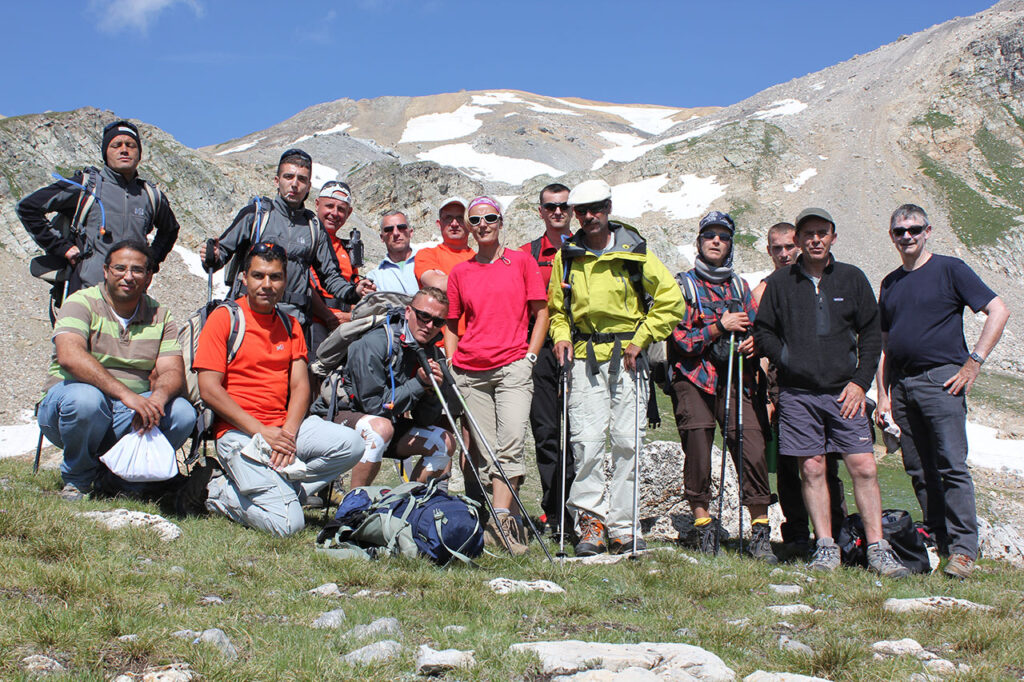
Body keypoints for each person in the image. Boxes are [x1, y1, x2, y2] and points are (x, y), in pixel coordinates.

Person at [754, 207, 909, 577]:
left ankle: (877, 548)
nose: (815, 240)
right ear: (799, 239)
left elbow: (871, 335)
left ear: (833, 237)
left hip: (845, 393)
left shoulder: (852, 279)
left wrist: (859, 382)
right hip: (798, 394)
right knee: (811, 467)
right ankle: (824, 545)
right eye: (808, 234)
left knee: (864, 466)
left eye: (822, 233)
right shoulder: (780, 284)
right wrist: (787, 359)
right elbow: (764, 331)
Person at [548, 179, 685, 556]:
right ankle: (590, 523)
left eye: (596, 208)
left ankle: (624, 526)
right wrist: (560, 335)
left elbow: (671, 301)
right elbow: (558, 310)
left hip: (630, 358)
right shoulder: (568, 256)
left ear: (608, 207)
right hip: (584, 358)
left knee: (629, 442)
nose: (589, 216)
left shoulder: (636, 251)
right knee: (587, 443)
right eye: (582, 210)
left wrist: (644, 337)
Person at [875, 204, 1009, 579]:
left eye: (914, 229)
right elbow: (885, 344)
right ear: (891, 236)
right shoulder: (891, 282)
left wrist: (974, 362)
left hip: (942, 380)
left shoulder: (950, 269)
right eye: (900, 231)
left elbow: (998, 310)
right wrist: (883, 395)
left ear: (928, 230)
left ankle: (965, 550)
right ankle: (939, 540)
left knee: (951, 465)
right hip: (902, 385)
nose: (907, 236)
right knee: (918, 468)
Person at [195, 242, 362, 536]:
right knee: (287, 525)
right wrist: (261, 431)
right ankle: (216, 490)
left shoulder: (290, 324)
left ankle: (283, 491)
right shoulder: (225, 318)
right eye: (258, 276)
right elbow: (209, 389)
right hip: (237, 432)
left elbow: (300, 387)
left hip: (280, 430)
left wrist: (287, 432)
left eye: (275, 277)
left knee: (352, 444)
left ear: (285, 281)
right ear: (243, 278)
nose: (267, 285)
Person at [36, 240, 196, 499]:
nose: (128, 276)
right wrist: (126, 394)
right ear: (106, 270)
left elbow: (172, 372)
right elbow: (69, 356)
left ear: (149, 276)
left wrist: (157, 399)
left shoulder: (160, 315)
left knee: (182, 414)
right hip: (70, 408)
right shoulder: (81, 302)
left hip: (127, 412)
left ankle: (120, 483)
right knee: (86, 401)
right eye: (120, 268)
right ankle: (78, 480)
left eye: (137, 270)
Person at [668, 211, 777, 562]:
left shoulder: (741, 287)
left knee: (752, 446)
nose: (716, 241)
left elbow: (759, 329)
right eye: (709, 236)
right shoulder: (682, 285)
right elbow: (681, 340)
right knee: (698, 445)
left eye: (723, 237)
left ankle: (760, 527)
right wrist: (719, 327)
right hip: (694, 377)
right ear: (699, 242)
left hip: (736, 375)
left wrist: (753, 344)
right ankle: (703, 524)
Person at [446, 197, 548, 554]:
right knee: (488, 452)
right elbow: (451, 323)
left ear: (501, 221)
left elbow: (541, 311)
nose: (484, 224)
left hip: (512, 367)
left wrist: (530, 356)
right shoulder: (461, 272)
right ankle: (510, 519)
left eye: (490, 217)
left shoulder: (521, 261)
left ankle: (500, 518)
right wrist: (451, 360)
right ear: (470, 227)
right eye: (476, 219)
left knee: (511, 443)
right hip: (471, 372)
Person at [200, 149, 371, 335]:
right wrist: (213, 256)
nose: (294, 184)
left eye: (302, 179)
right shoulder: (255, 215)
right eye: (288, 177)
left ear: (308, 186)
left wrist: (354, 292)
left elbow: (330, 276)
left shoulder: (314, 227)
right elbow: (221, 253)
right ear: (277, 181)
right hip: (248, 318)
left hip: (292, 323)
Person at [752, 222, 847, 556]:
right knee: (792, 464)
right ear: (769, 251)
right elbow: (760, 344)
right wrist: (765, 395)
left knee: (827, 462)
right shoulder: (767, 289)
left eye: (789, 247)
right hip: (783, 387)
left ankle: (837, 532)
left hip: (825, 386)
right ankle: (796, 534)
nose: (784, 254)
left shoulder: (821, 283)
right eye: (776, 248)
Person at [17, 120, 180, 293]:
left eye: (131, 145)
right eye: (116, 145)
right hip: (86, 295)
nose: (124, 149)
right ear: (105, 153)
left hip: (132, 299)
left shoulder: (150, 195)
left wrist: (151, 261)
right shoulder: (85, 186)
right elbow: (28, 208)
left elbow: (170, 230)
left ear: (139, 154)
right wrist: (61, 248)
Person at [328, 287, 455, 487]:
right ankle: (353, 509)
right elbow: (373, 406)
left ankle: (409, 506)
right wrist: (419, 383)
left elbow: (425, 420)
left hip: (386, 424)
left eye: (438, 322)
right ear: (408, 312)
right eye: (424, 316)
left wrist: (430, 392)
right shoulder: (375, 342)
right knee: (380, 428)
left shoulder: (431, 353)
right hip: (341, 418)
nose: (430, 325)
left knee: (444, 441)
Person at [520, 183, 576, 541]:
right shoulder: (527, 254)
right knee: (545, 433)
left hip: (579, 348)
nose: (557, 211)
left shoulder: (584, 249)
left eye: (563, 206)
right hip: (539, 348)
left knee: (577, 433)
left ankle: (578, 509)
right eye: (550, 206)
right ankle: (553, 511)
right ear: (540, 211)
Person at [309, 181, 368, 350]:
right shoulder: (306, 240)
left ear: (349, 213)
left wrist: (351, 316)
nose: (334, 213)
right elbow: (302, 284)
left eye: (341, 209)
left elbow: (353, 288)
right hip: (314, 323)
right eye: (329, 206)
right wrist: (328, 316)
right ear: (317, 204)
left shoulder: (348, 249)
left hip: (345, 325)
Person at [415, 197, 475, 291]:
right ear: (439, 224)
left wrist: (446, 278)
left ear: (470, 224)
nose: (454, 224)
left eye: (460, 218)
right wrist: (477, 279)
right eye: (448, 218)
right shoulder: (426, 255)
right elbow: (436, 285)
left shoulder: (479, 259)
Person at [364, 210, 419, 295]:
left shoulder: (431, 262)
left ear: (410, 232)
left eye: (401, 227)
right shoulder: (374, 278)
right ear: (382, 237)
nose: (396, 233)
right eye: (389, 229)